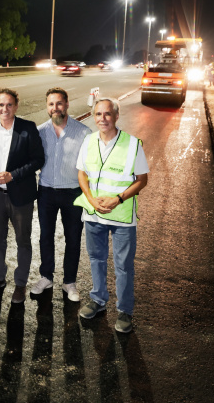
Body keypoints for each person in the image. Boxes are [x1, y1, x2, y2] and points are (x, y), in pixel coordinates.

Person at [75, 97, 149, 334]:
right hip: (94, 215)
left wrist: (118, 199)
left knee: (123, 266)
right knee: (96, 259)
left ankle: (125, 310)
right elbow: (82, 173)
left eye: (108, 114)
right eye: (98, 114)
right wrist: (90, 199)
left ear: (116, 116)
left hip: (122, 217)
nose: (103, 118)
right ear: (93, 116)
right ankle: (98, 299)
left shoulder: (132, 144)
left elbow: (142, 180)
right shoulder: (88, 141)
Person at [0, 88, 45, 303]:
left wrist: (13, 176)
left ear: (16, 106)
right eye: (1, 105)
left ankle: (20, 283)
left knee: (23, 241)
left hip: (21, 197)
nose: (5, 109)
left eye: (9, 104)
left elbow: (38, 160)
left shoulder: (27, 128)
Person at [31, 88, 92, 302]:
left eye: (59, 103)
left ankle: (69, 282)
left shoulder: (83, 132)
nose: (55, 108)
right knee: (45, 236)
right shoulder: (39, 132)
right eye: (51, 104)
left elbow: (90, 166)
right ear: (47, 107)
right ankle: (46, 277)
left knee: (73, 238)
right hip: (46, 191)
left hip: (73, 192)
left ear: (66, 104)